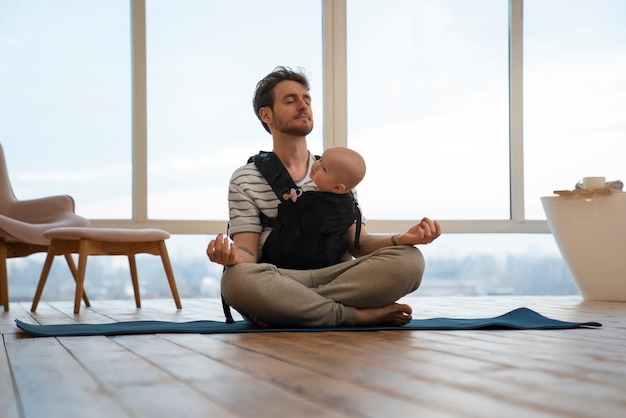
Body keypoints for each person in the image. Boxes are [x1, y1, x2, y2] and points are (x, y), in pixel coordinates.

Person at [207, 66, 441, 328]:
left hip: (335, 276)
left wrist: (401, 239)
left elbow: (358, 244)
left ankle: (288, 311)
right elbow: (247, 252)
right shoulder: (245, 178)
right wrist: (231, 258)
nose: (303, 106)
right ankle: (357, 315)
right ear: (266, 114)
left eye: (307, 99)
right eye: (290, 100)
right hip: (279, 278)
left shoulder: (337, 169)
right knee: (236, 281)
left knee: (410, 260)